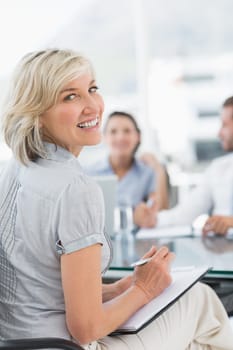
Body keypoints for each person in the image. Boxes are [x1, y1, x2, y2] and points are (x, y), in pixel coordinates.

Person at [0, 49, 232, 350]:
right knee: (202, 302)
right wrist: (145, 289)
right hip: (70, 346)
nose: (92, 105)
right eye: (70, 96)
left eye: (92, 89)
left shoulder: (12, 171)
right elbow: (86, 329)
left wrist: (120, 288)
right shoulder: (75, 188)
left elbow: (41, 286)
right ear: (37, 114)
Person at [141, 96, 233, 235]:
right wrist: (151, 218)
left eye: (225, 125)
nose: (219, 133)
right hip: (221, 253)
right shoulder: (218, 169)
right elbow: (184, 214)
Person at [85, 111, 168, 228]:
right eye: (113, 131)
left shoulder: (147, 172)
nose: (120, 137)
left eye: (127, 131)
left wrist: (158, 169)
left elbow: (159, 211)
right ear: (104, 137)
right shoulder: (89, 173)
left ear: (138, 137)